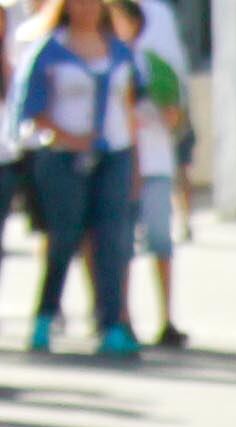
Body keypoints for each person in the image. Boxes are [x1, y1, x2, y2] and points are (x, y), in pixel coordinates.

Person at [15, 0, 140, 357]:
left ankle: (112, 324)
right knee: (65, 238)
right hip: (62, 157)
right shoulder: (49, 51)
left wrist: (134, 165)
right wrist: (71, 139)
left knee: (112, 239)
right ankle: (44, 318)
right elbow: (32, 111)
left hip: (113, 153)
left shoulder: (118, 52)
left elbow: (129, 104)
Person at [102, 0, 177, 344]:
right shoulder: (104, 61)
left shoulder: (155, 66)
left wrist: (154, 108)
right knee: (119, 246)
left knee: (159, 240)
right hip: (115, 163)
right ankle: (119, 317)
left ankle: (166, 319)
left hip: (154, 163)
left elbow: (178, 119)